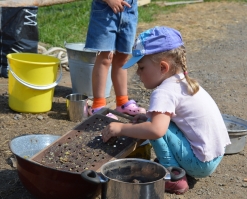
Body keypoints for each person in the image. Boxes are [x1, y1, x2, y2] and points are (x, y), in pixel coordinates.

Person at [101, 26, 231, 194]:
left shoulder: (163, 91)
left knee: (152, 125)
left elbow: (156, 129)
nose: (138, 74)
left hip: (200, 163)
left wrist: (121, 128)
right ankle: (177, 165)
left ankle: (173, 175)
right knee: (152, 120)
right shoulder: (182, 80)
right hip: (215, 155)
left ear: (163, 67)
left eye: (141, 68)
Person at [84, 0, 146, 119]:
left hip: (129, 9)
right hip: (105, 10)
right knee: (105, 57)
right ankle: (98, 105)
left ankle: (122, 102)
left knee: (122, 57)